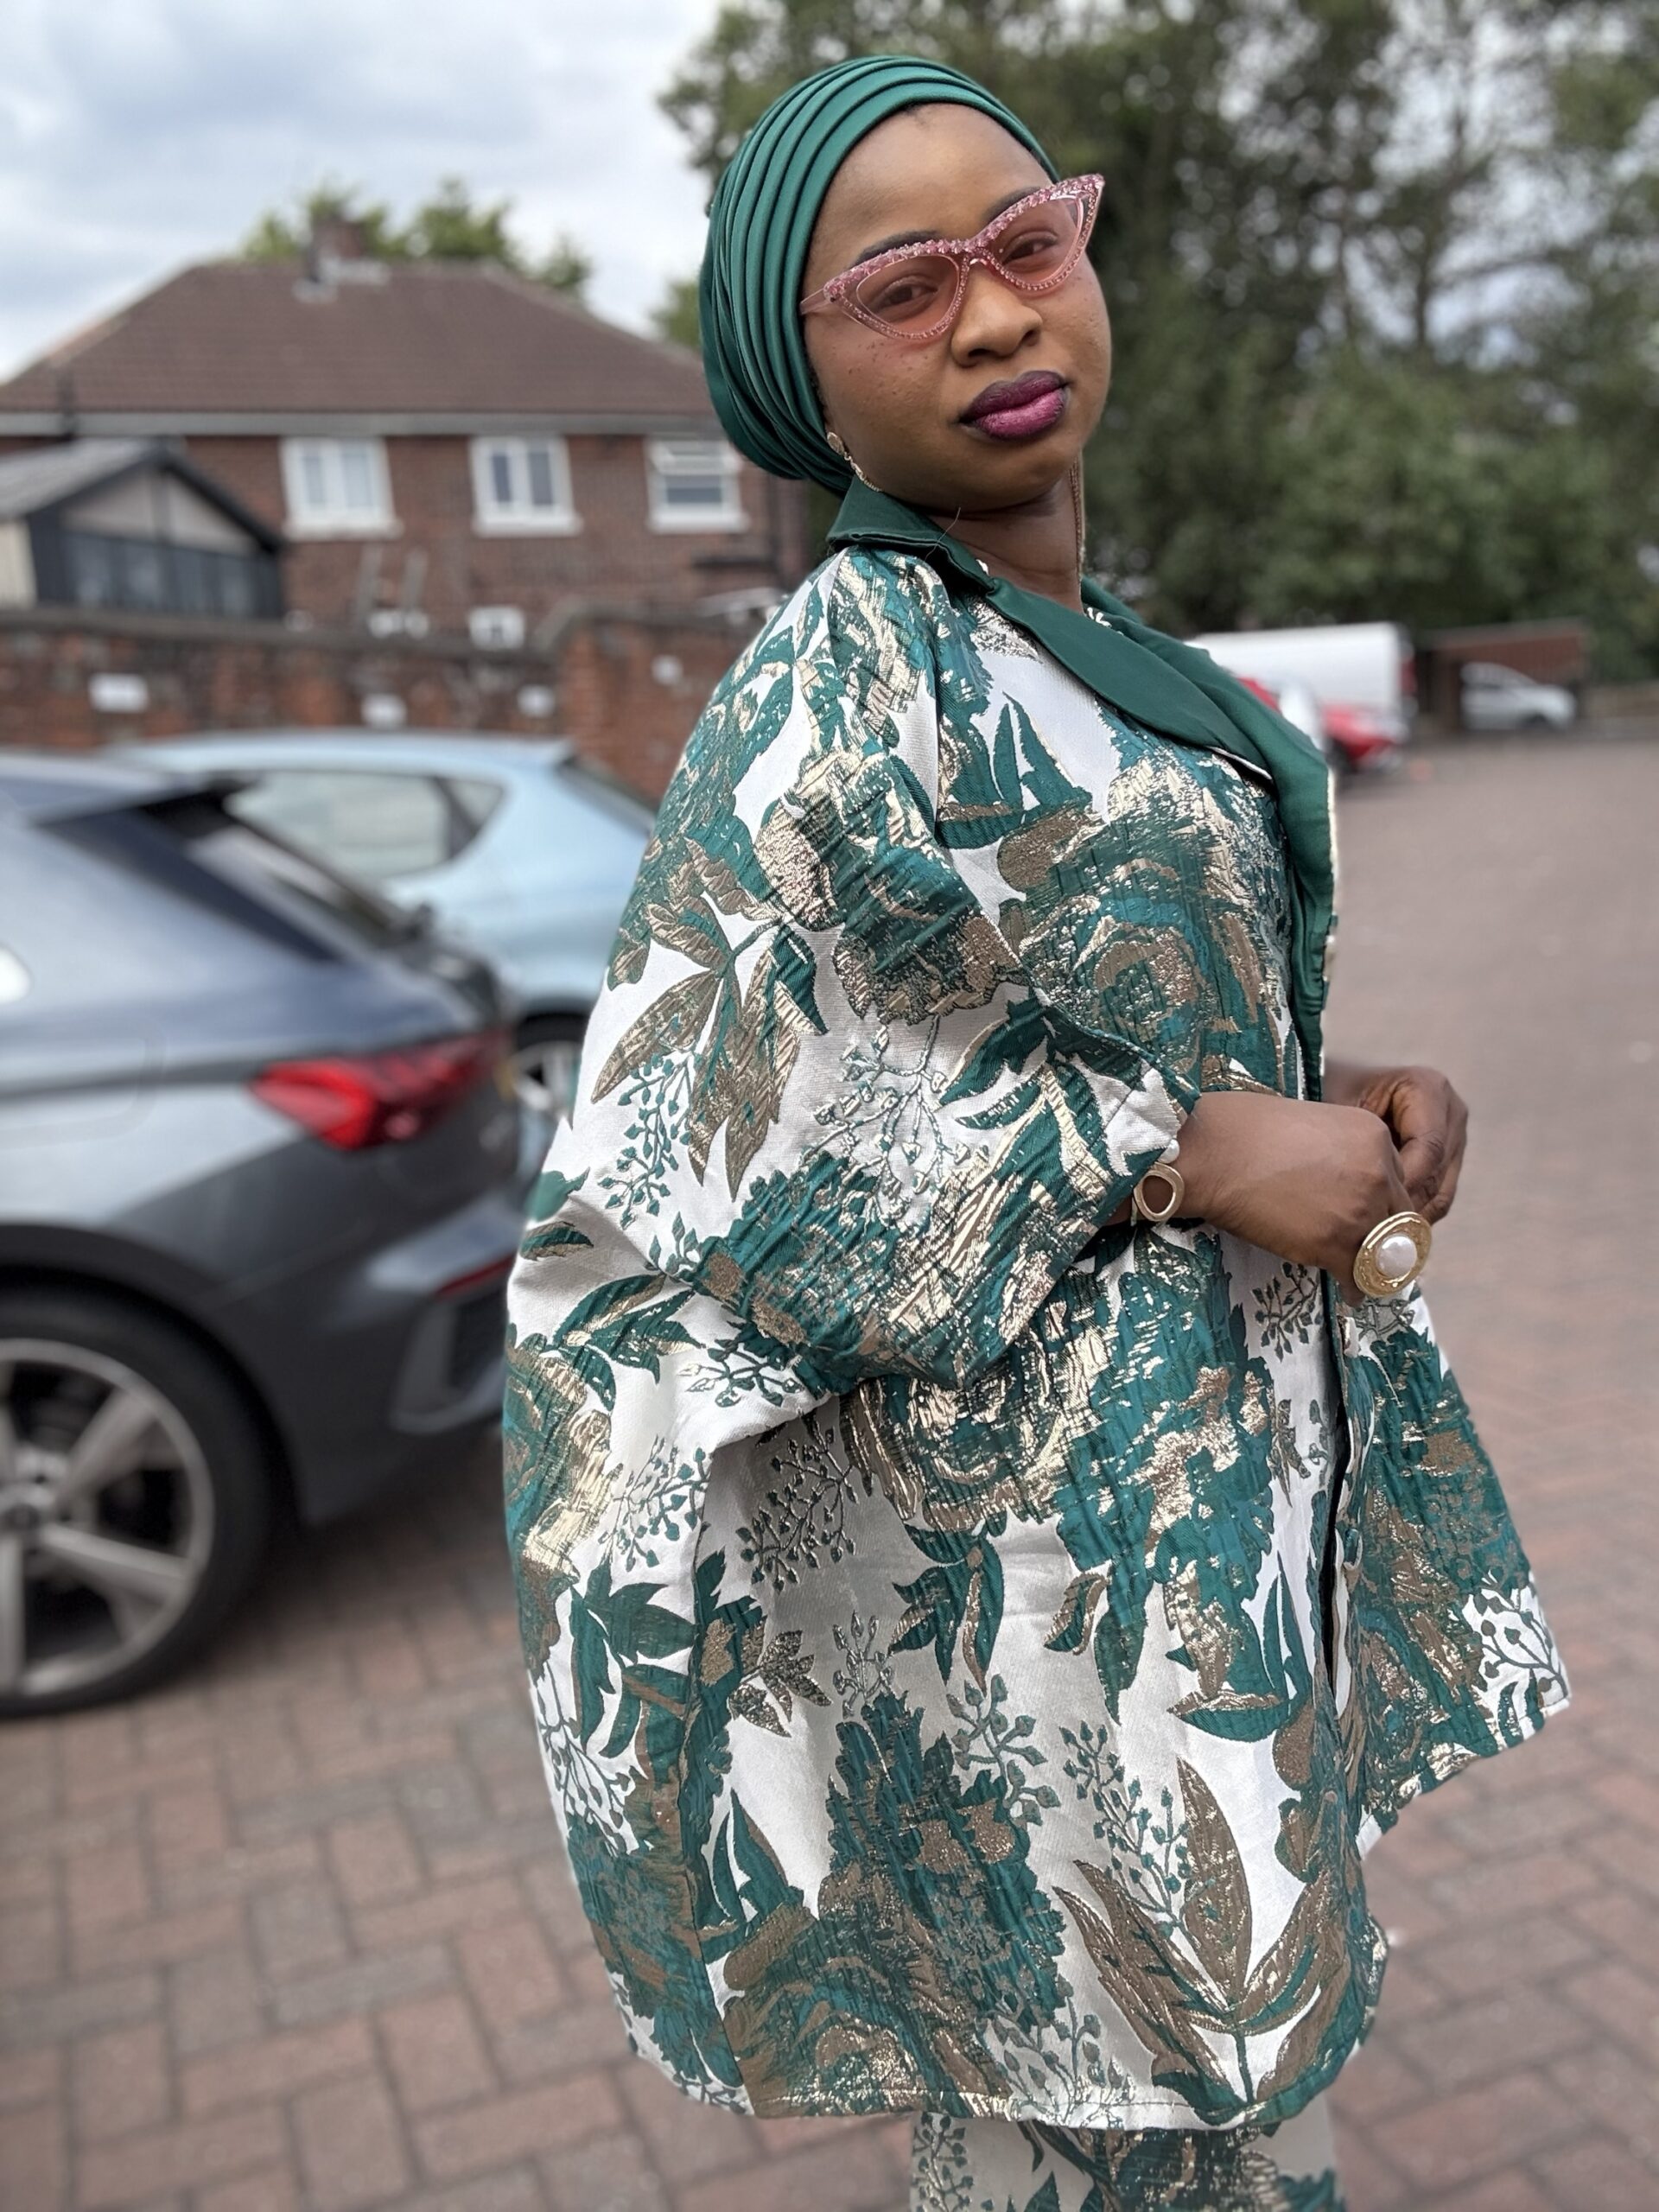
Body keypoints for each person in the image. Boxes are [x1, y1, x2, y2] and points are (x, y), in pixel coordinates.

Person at [504, 54, 1569, 2212]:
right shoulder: (837, 680)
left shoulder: (1077, 646)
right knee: (1109, 2111)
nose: (994, 312)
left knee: (1236, 2087)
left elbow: (1050, 1010)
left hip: (1218, 1508)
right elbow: (700, 1161)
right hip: (1047, 1590)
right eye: (902, 286)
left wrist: (1323, 1088)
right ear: (799, 378)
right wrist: (1180, 1150)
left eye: (1024, 240)